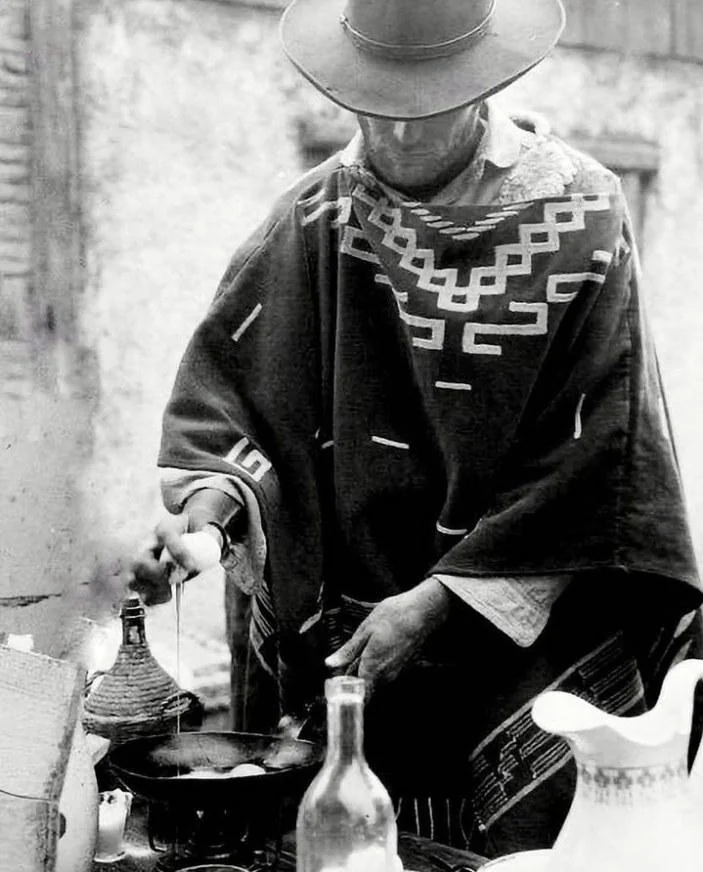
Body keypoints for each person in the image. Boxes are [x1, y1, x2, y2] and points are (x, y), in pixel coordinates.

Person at [131, 0, 703, 858]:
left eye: (423, 106)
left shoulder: (583, 213)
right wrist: (208, 515)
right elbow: (233, 402)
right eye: (371, 105)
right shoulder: (312, 220)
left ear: (484, 86)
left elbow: (602, 452)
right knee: (336, 842)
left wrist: (440, 600)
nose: (393, 135)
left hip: (525, 633)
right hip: (343, 638)